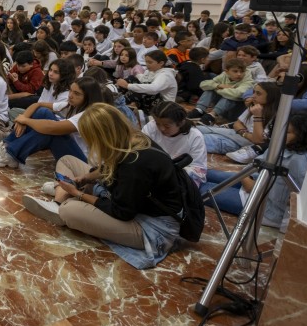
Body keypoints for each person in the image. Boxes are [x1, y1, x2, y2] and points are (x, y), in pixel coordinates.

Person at [20, 103, 187, 269]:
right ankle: (60, 200)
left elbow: (122, 211)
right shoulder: (133, 138)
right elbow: (110, 167)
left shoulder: (135, 163)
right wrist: (86, 177)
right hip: (130, 199)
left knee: (69, 210)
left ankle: (62, 201)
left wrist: (78, 194)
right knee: (67, 161)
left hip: (150, 228)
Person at [201, 113, 307, 232]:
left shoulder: (301, 161)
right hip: (255, 183)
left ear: (302, 136)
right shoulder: (282, 147)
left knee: (203, 188)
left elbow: (295, 199)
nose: (281, 135)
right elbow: (257, 163)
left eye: (287, 133)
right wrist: (248, 177)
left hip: (266, 207)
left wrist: (251, 185)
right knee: (206, 173)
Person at [0, 76, 106, 168]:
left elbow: (51, 128)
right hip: (70, 153)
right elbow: (38, 105)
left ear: (88, 97)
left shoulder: (88, 115)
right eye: (71, 91)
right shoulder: (72, 105)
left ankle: (11, 154)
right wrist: (22, 120)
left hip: (85, 165)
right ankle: (6, 146)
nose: (70, 96)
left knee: (48, 132)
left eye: (76, 93)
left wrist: (26, 120)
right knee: (43, 112)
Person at [141, 102, 208, 185]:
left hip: (182, 178)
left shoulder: (195, 136)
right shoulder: (151, 127)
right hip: (158, 174)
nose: (161, 128)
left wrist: (168, 174)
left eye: (167, 126)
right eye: (157, 123)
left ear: (180, 123)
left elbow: (199, 170)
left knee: (222, 187)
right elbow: (141, 152)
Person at [187, 58, 255, 124]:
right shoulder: (224, 75)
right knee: (210, 89)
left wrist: (216, 89)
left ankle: (212, 115)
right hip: (223, 108)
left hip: (236, 111)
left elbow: (238, 94)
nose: (239, 74)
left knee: (229, 96)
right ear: (227, 71)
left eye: (242, 71)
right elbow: (203, 84)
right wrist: (218, 86)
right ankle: (199, 110)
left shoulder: (248, 80)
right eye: (235, 71)